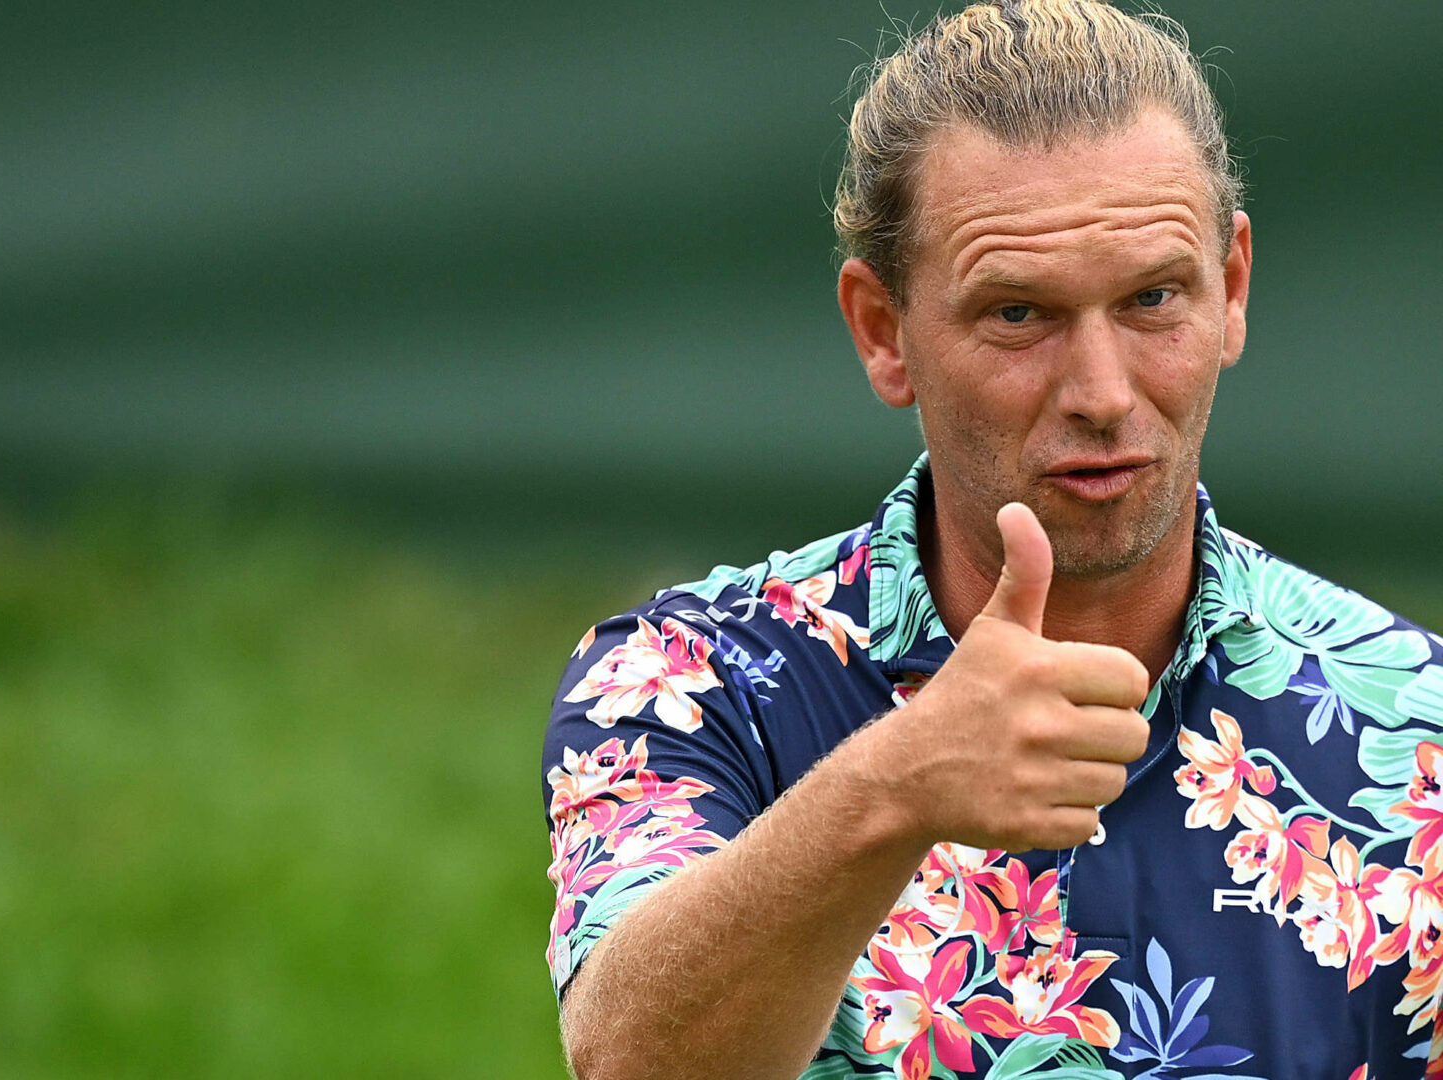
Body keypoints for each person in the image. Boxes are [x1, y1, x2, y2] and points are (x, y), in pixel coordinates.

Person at [539, 3, 1443, 1079]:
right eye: (1020, 315)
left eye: (1155, 297)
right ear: (883, 332)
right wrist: (890, 791)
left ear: (1233, 286)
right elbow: (630, 1061)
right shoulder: (690, 684)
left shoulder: (1414, 725)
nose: (1103, 395)